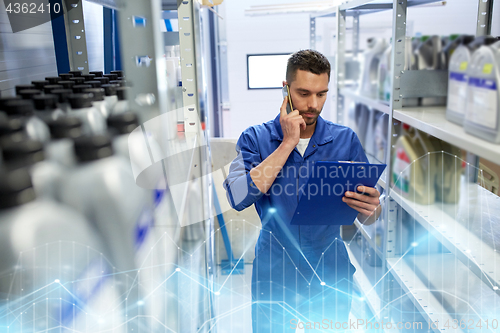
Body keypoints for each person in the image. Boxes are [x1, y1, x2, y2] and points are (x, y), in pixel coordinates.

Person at [223, 50, 381, 332]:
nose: (313, 104)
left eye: (321, 94)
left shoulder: (344, 140)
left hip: (329, 267)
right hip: (275, 268)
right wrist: (287, 144)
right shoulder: (255, 138)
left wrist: (372, 209)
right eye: (304, 93)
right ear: (285, 89)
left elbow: (369, 216)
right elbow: (237, 197)